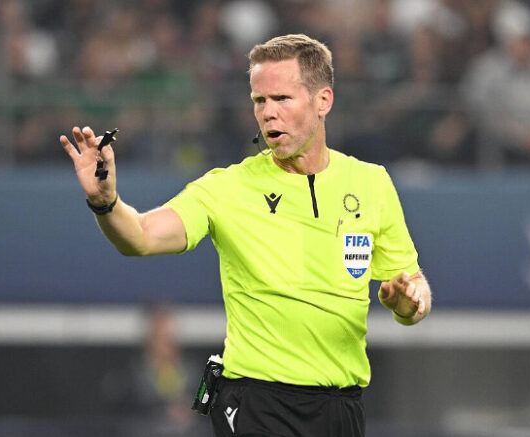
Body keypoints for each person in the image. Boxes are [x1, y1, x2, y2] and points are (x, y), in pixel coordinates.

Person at [60, 33, 431, 437]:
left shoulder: (372, 183)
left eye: (282, 98)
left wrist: (408, 302)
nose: (268, 113)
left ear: (322, 101)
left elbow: (413, 288)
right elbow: (142, 236)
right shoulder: (228, 188)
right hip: (257, 403)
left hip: (341, 407)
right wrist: (106, 203)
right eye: (259, 100)